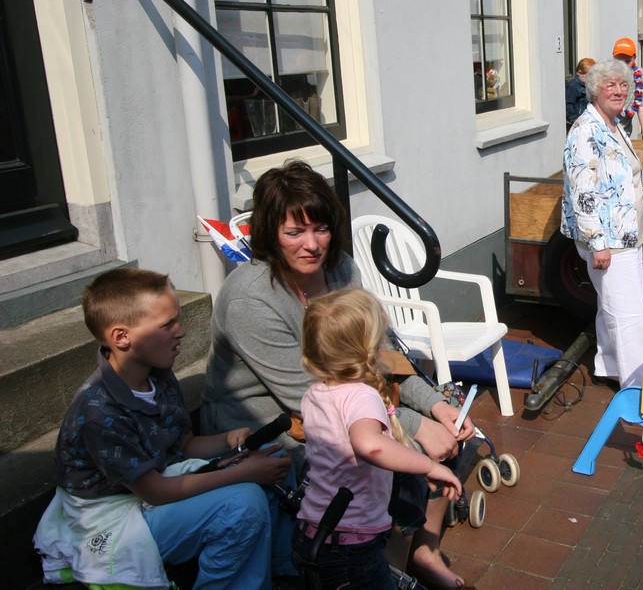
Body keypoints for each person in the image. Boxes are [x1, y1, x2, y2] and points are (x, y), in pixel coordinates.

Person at [201, 160, 475, 588]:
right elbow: (305, 395)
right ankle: (386, 571)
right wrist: (414, 426)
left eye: (321, 228)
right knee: (398, 460)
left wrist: (436, 406)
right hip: (270, 421)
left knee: (448, 430)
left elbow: (379, 350)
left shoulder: (340, 268)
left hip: (348, 401)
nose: (312, 244)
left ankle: (425, 550)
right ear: (269, 232)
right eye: (295, 232)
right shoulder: (250, 299)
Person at [34, 268, 291, 589]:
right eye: (167, 324)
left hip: (154, 488)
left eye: (177, 320)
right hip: (112, 516)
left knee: (273, 457)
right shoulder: (99, 412)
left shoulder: (158, 374)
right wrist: (241, 473)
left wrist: (228, 440)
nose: (180, 331)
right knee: (243, 503)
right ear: (121, 337)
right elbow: (155, 492)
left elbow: (183, 444)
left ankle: (281, 571)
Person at [293, 288, 462, 590]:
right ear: (369, 348)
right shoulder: (361, 396)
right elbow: (369, 445)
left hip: (313, 529)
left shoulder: (316, 393)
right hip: (350, 543)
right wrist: (429, 466)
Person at [562, 58, 643, 387]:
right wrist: (598, 243)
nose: (619, 91)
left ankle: (609, 366)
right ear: (595, 90)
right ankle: (638, 384)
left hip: (626, 234)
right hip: (609, 239)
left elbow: (616, 173)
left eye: (623, 85)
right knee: (629, 314)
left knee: (613, 306)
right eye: (611, 85)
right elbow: (583, 193)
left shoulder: (613, 124)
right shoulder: (585, 131)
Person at [611, 37, 643, 145]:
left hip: (625, 131)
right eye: (619, 61)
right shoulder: (606, 74)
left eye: (627, 61)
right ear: (613, 57)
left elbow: (642, 103)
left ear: (634, 58)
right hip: (606, 131)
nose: (623, 66)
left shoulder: (639, 74)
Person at [566, 57, 595, 131]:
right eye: (589, 75)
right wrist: (574, 120)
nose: (591, 78)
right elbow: (568, 104)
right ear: (579, 73)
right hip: (578, 122)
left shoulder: (588, 85)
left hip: (587, 120)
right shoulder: (573, 86)